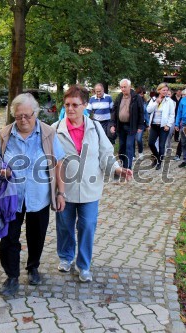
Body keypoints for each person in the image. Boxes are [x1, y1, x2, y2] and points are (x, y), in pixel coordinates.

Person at [51, 85, 132, 282]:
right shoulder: (54, 129)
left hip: (90, 188)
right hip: (65, 189)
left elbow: (105, 154)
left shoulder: (95, 128)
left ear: (85, 105)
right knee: (64, 226)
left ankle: (84, 265)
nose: (70, 109)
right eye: (67, 104)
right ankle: (65, 257)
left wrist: (117, 169)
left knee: (87, 226)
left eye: (75, 105)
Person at [0, 93, 66, 297]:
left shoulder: (48, 133)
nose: (23, 120)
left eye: (27, 115)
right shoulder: (5, 133)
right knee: (8, 238)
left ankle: (33, 267)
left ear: (36, 113)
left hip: (38, 196)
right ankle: (11, 276)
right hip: (11, 197)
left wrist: (61, 193)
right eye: (18, 116)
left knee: (37, 235)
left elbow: (59, 163)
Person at [110, 79, 145, 169]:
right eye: (121, 87)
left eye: (125, 87)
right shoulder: (119, 97)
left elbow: (141, 112)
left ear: (129, 87)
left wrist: (140, 125)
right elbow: (114, 111)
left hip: (131, 126)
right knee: (122, 146)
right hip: (120, 126)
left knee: (129, 146)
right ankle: (123, 162)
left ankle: (128, 167)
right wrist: (113, 124)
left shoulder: (136, 97)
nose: (123, 89)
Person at [147, 83, 175, 170]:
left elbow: (172, 114)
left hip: (164, 126)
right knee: (151, 143)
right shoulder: (154, 99)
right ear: (159, 90)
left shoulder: (169, 101)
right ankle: (156, 157)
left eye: (166, 90)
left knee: (161, 145)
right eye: (163, 90)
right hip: (154, 125)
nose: (165, 92)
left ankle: (159, 162)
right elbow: (148, 110)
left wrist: (168, 125)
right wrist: (156, 103)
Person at [135, 87, 149, 158]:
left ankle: (140, 152)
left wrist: (147, 123)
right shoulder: (133, 101)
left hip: (141, 123)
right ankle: (133, 155)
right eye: (140, 93)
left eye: (143, 93)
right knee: (132, 139)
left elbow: (146, 113)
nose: (141, 95)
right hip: (133, 123)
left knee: (139, 139)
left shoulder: (144, 102)